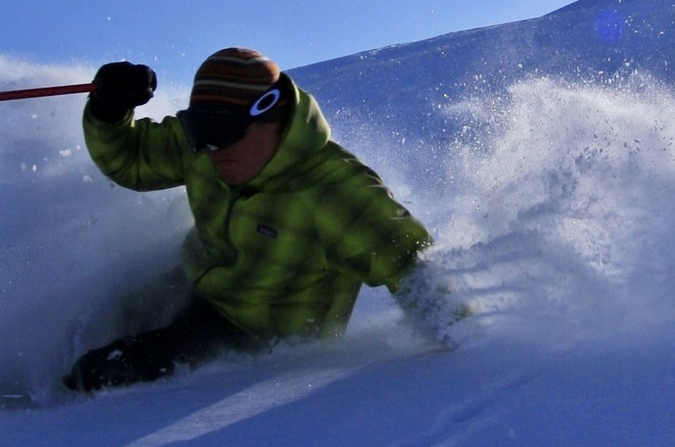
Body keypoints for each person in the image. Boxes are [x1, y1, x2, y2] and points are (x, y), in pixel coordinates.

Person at [62, 47, 433, 392]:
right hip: (195, 285)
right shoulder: (207, 147)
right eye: (199, 130)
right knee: (94, 320)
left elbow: (417, 271)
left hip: (253, 340)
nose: (210, 148)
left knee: (101, 372)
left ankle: (50, 426)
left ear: (269, 113)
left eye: (221, 131)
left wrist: (468, 354)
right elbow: (132, 159)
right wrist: (107, 110)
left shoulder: (331, 191)